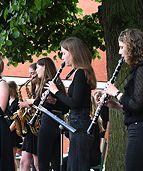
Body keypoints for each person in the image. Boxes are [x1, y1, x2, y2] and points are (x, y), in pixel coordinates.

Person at [103, 28, 143, 171]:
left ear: (133, 47)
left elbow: (137, 105)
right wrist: (115, 105)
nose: (119, 52)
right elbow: (140, 106)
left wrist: (116, 92)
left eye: (122, 47)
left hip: (142, 132)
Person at [47, 37, 97, 171]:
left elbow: (75, 103)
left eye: (64, 53)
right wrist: (56, 100)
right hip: (77, 122)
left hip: (80, 124)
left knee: (77, 165)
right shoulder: (78, 72)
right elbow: (73, 103)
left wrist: (56, 91)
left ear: (73, 52)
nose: (62, 57)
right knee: (73, 164)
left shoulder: (80, 72)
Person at [26, 58, 69, 171]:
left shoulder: (49, 83)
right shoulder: (57, 82)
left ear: (44, 67)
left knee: (43, 160)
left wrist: (32, 101)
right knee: (55, 159)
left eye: (38, 67)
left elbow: (44, 105)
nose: (36, 70)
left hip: (49, 122)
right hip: (57, 122)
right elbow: (64, 108)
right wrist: (54, 102)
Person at [19, 63, 39, 171]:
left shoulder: (42, 87)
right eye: (29, 74)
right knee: (23, 162)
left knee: (37, 163)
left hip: (37, 129)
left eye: (32, 73)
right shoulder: (34, 88)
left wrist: (27, 104)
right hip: (31, 129)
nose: (30, 76)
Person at [7, 81, 23, 171]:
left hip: (13, 132)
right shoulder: (7, 100)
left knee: (11, 156)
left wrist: (9, 130)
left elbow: (17, 118)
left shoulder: (17, 102)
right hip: (7, 129)